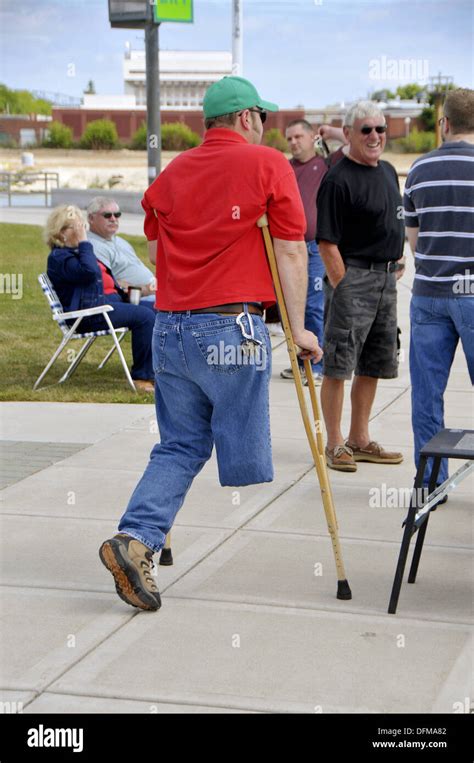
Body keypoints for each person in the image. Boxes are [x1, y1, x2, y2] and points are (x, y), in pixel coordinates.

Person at [98, 75, 322, 612]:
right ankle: (148, 534)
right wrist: (298, 330)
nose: (265, 127)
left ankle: (137, 539)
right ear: (246, 117)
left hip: (170, 327)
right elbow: (292, 252)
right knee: (242, 453)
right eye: (262, 118)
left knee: (180, 444)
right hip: (231, 327)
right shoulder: (267, 164)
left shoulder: (173, 172)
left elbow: (156, 246)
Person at [316, 100, 406, 472]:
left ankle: (360, 438)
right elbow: (326, 242)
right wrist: (345, 286)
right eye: (365, 130)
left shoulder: (387, 170)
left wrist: (394, 262)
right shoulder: (337, 179)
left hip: (385, 282)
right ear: (349, 134)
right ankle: (335, 444)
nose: (374, 136)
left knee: (373, 364)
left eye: (380, 129)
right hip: (351, 280)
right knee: (339, 365)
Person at [404, 87, 474, 490]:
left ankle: (431, 484)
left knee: (427, 396)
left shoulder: (418, 170)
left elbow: (414, 242)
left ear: (444, 124)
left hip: (430, 294)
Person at [45, 205, 156, 393]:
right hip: (89, 315)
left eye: (82, 227)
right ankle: (142, 376)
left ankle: (164, 369)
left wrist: (125, 289)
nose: (83, 232)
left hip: (108, 304)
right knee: (144, 317)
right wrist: (84, 242)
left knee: (160, 309)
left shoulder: (77, 254)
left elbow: (100, 279)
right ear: (61, 233)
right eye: (77, 227)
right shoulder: (60, 258)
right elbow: (89, 273)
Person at [280, 119, 347, 385]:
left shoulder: (326, 165)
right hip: (289, 247)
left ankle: (316, 365)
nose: (294, 143)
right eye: (289, 139)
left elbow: (352, 141)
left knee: (314, 305)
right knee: (292, 305)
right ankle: (299, 361)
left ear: (312, 138)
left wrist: (331, 132)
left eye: (298, 136)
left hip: (317, 247)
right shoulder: (284, 168)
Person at [87, 196, 156, 304]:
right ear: (91, 218)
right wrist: (145, 290)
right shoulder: (93, 246)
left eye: (117, 215)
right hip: (138, 299)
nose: (113, 219)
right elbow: (108, 282)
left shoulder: (120, 241)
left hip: (155, 291)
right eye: (107, 215)